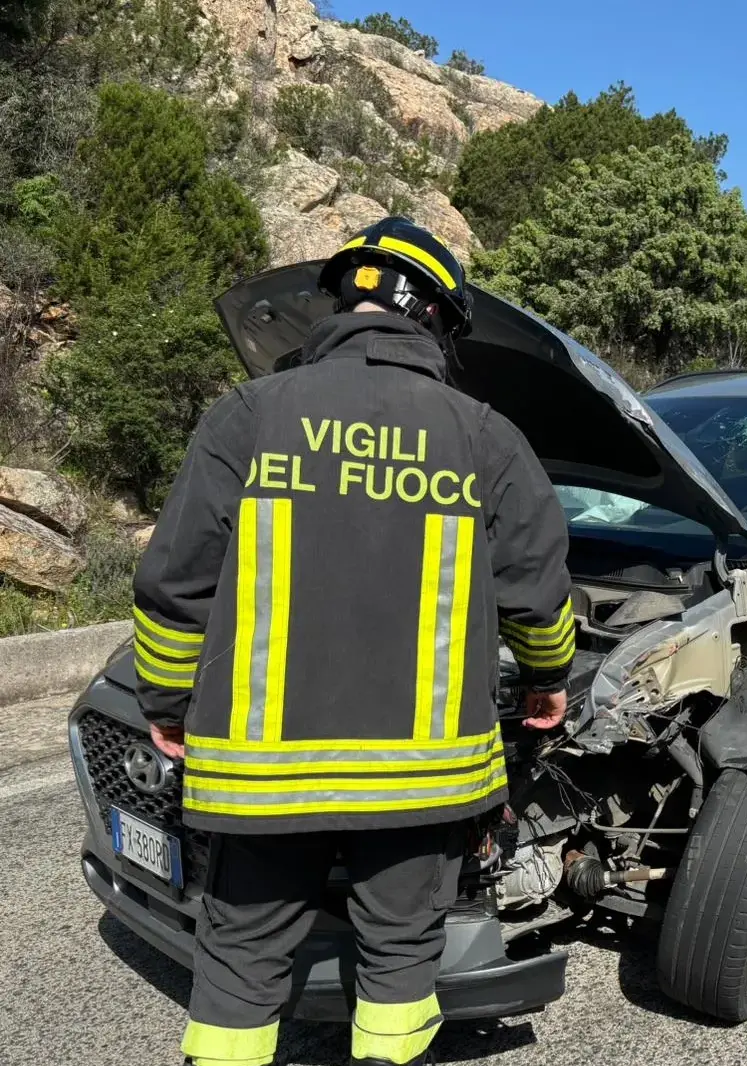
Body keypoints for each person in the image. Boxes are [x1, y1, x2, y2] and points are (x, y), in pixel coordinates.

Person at [131, 217, 577, 1066]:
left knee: (239, 964)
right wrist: (549, 680)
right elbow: (539, 599)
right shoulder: (484, 436)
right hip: (421, 780)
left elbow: (172, 592)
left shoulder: (247, 417)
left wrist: (167, 705)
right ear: (440, 323)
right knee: (401, 963)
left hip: (261, 779)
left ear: (336, 308)